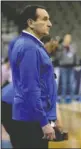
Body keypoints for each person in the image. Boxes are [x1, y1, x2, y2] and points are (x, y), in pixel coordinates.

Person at [8, 5, 57, 148]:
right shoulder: (29, 47)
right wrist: (44, 122)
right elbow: (31, 89)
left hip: (30, 117)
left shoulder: (26, 43)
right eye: (45, 19)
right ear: (30, 23)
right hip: (32, 121)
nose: (50, 24)